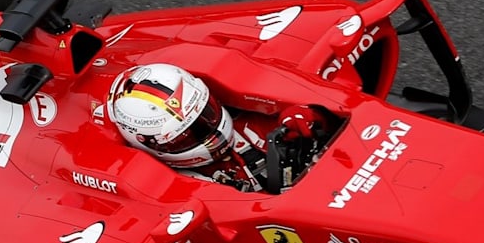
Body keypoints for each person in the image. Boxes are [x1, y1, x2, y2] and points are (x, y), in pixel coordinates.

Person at [108, 63, 324, 191]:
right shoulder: (185, 187)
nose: (212, 133)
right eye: (186, 135)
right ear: (150, 143)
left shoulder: (250, 123)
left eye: (206, 114)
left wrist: (313, 116)